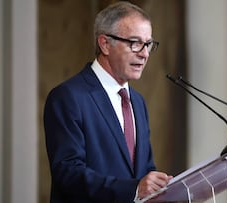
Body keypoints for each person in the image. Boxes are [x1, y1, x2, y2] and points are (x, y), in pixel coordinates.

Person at [43, 1, 172, 202]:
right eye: (135, 43)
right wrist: (134, 189)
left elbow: (144, 170)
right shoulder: (68, 97)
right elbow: (68, 173)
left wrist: (161, 188)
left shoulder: (138, 102)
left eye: (148, 44)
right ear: (105, 44)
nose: (145, 54)